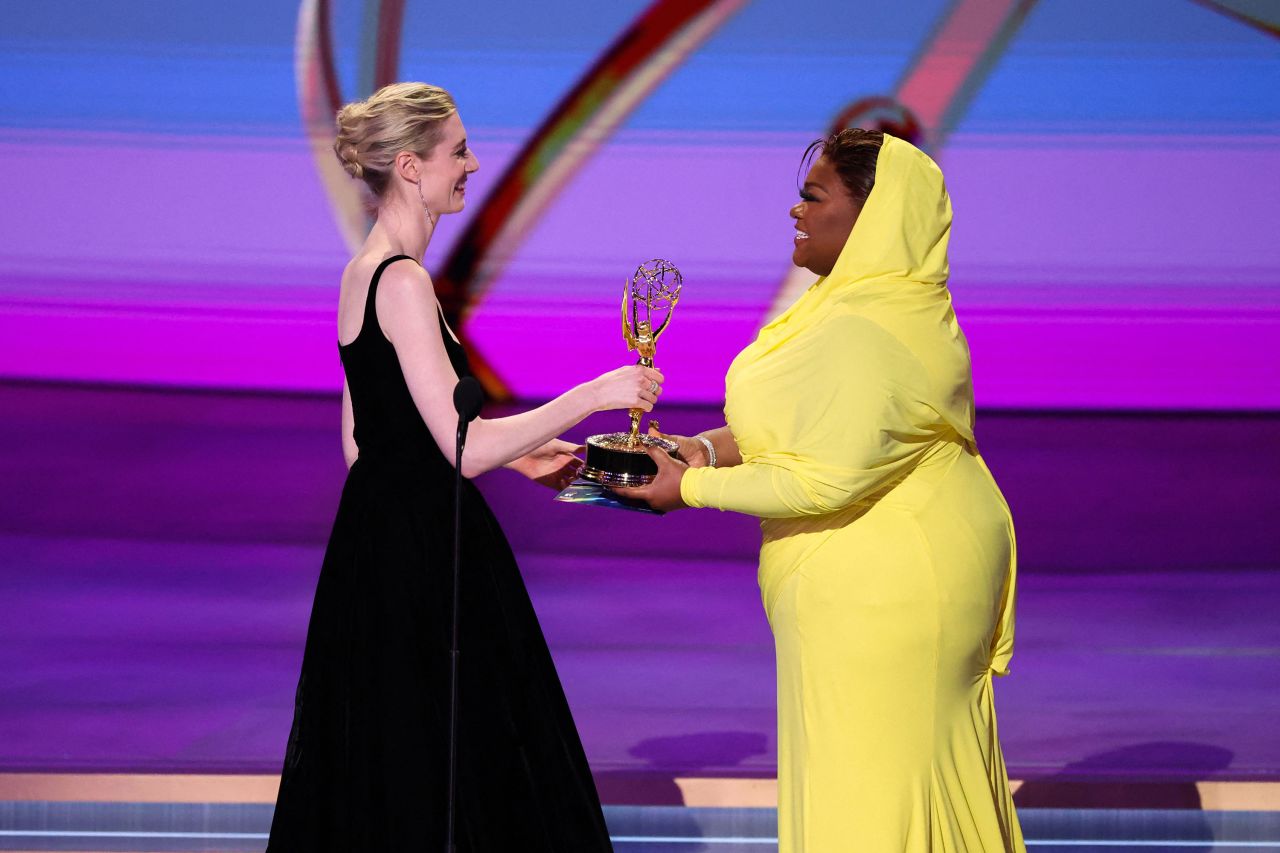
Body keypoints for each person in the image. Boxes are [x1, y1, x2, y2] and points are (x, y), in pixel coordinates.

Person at [267, 82, 660, 851]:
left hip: (377, 549)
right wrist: (594, 394)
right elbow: (457, 445)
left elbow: (369, 440)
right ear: (410, 166)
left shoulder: (366, 273)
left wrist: (524, 457)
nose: (473, 165)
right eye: (458, 151)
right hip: (426, 554)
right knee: (476, 743)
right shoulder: (404, 283)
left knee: (391, 754)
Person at [616, 130, 1023, 851]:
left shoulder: (871, 325)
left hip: (891, 597)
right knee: (876, 791)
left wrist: (694, 487)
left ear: (874, 217)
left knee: (873, 806)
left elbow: (826, 475)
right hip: (883, 588)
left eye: (814, 195)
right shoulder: (858, 303)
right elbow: (810, 423)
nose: (796, 210)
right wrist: (703, 447)